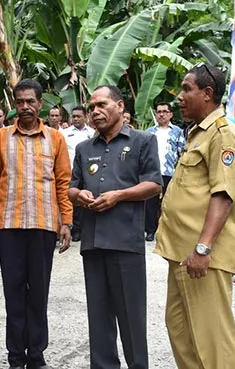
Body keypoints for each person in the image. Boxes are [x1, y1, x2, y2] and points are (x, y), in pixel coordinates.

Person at [154, 64, 235, 369]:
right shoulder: (197, 134)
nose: (179, 97)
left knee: (212, 341)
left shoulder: (224, 136)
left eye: (186, 89)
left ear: (207, 93)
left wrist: (203, 248)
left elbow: (223, 195)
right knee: (182, 333)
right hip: (182, 253)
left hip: (202, 256)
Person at [68, 85, 162, 369]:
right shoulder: (85, 148)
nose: (95, 111)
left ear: (120, 106)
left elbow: (155, 184)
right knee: (98, 317)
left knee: (131, 317)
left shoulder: (143, 141)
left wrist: (119, 195)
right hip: (93, 242)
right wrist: (79, 196)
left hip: (126, 242)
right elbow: (72, 187)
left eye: (102, 105)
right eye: (91, 107)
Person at [0, 79, 72, 369]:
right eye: (19, 102)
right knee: (13, 292)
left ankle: (36, 355)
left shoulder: (56, 139)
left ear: (40, 104)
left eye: (30, 101)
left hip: (44, 226)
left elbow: (63, 183)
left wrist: (67, 222)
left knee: (39, 293)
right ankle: (15, 356)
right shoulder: (1, 138)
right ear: (14, 104)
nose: (25, 107)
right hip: (9, 226)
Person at [145, 102, 186, 241]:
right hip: (152, 172)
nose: (161, 114)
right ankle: (151, 231)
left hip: (170, 172)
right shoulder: (149, 132)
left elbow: (182, 153)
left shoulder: (177, 131)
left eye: (164, 111)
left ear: (170, 114)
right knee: (150, 203)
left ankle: (168, 232)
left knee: (169, 203)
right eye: (158, 112)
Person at [61, 106, 95, 242]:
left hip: (89, 172)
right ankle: (74, 230)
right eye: (73, 116)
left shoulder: (92, 133)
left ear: (86, 116)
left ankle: (85, 229)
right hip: (69, 171)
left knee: (86, 199)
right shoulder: (64, 133)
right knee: (72, 200)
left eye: (78, 116)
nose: (75, 119)